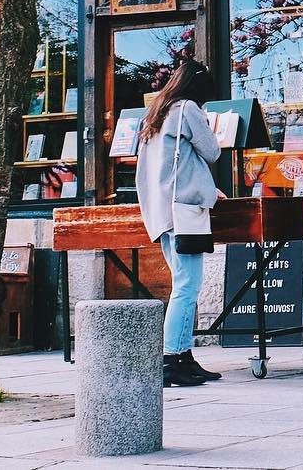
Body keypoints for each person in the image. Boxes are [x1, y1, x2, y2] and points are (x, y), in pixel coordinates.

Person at [135, 60, 222, 388]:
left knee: (183, 282)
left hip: (162, 210)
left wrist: (206, 187)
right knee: (187, 286)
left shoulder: (156, 112)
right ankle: (172, 359)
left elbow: (170, 165)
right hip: (184, 211)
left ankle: (184, 357)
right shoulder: (187, 109)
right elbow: (211, 152)